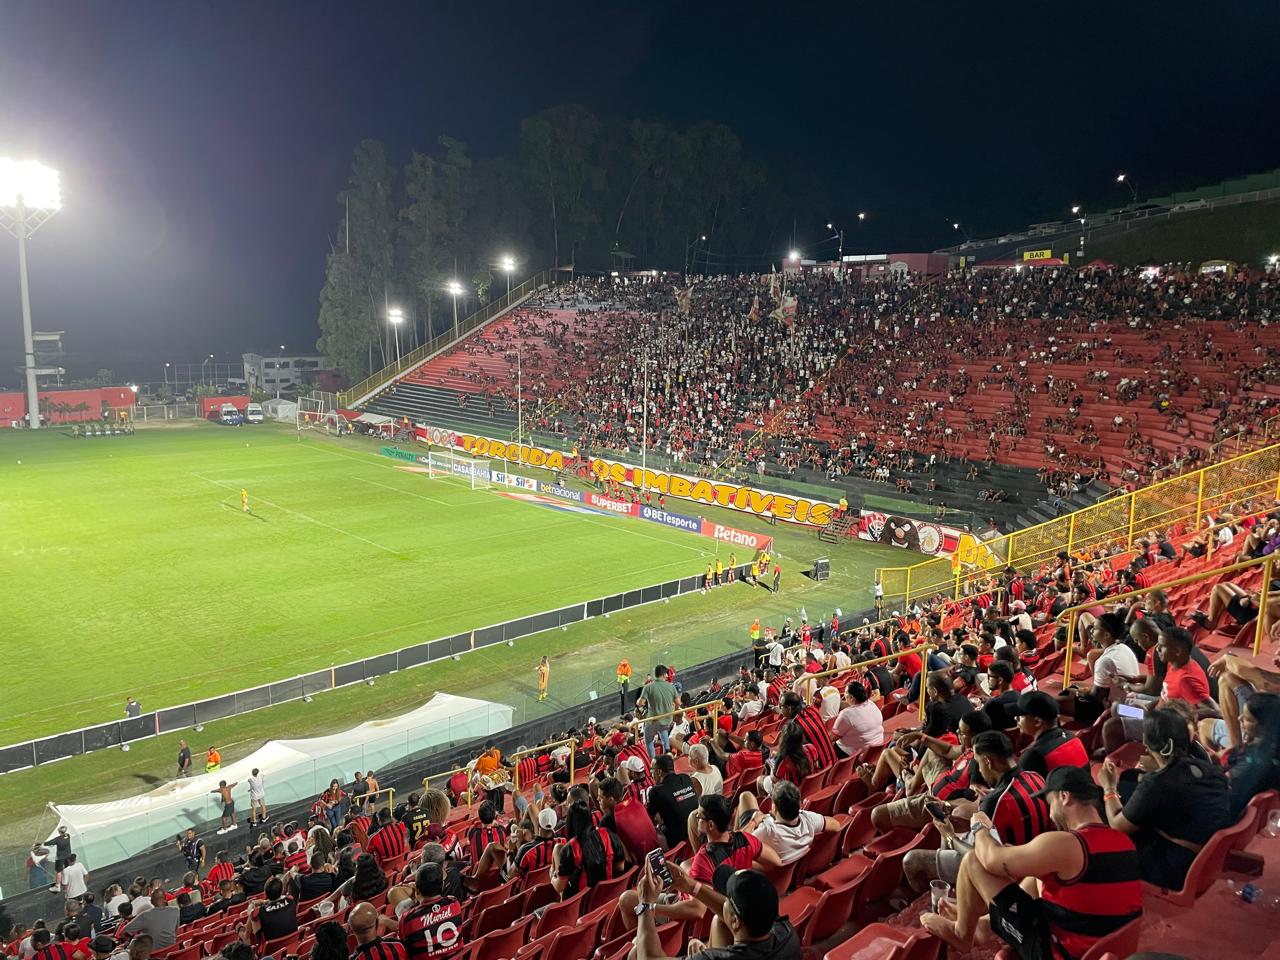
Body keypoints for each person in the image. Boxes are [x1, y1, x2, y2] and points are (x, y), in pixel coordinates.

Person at [919, 766, 1143, 958]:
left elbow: (989, 859)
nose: (1051, 813)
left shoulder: (1067, 844)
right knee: (1036, 874)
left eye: (1050, 803)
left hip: (1055, 952)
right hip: (1096, 947)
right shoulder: (1123, 840)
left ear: (1064, 797)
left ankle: (961, 934)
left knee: (973, 862)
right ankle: (985, 923)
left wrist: (979, 826)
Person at [1097, 707, 1231, 891]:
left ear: (1145, 741)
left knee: (1100, 807)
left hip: (1173, 866)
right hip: (1205, 857)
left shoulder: (1159, 783)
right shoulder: (1206, 767)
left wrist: (1108, 786)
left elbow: (1117, 825)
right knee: (1130, 778)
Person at [631, 860, 800, 960]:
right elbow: (728, 911)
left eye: (727, 898)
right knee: (719, 921)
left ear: (735, 921)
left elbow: (649, 958)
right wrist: (691, 886)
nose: (724, 900)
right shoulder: (786, 932)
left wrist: (645, 905)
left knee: (636, 951)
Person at [739, 780, 840, 865]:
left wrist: (753, 822)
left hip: (769, 875)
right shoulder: (808, 819)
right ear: (799, 805)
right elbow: (836, 825)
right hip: (790, 863)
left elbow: (736, 846)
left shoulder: (767, 831)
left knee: (745, 796)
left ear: (774, 808)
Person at [551, 800, 625, 897]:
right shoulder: (607, 834)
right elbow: (620, 867)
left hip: (583, 903)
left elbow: (560, 887)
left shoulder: (569, 849)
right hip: (609, 894)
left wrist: (552, 877)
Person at [1009, 692, 1089, 775]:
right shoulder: (1071, 736)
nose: (1015, 718)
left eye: (1021, 716)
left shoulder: (1032, 756)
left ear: (1037, 722)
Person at [398, 863, 464, 960]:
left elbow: (404, 951)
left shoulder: (407, 919)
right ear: (442, 887)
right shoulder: (454, 903)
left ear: (417, 891)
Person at [597, 776, 661, 865]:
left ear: (611, 799)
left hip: (640, 869)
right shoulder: (636, 803)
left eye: (600, 798)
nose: (598, 800)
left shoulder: (609, 819)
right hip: (658, 859)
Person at [646, 753, 699, 849]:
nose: (651, 774)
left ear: (659, 772)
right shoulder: (686, 778)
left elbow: (649, 819)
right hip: (697, 831)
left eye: (651, 770)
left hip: (677, 841)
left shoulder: (656, 791)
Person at [831, 681, 884, 758]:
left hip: (858, 754)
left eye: (845, 693)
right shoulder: (871, 703)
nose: (844, 696)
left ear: (851, 697)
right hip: (877, 747)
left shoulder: (846, 714)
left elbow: (833, 737)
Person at [638, 665, 678, 758]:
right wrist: (673, 711)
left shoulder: (648, 687)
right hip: (666, 720)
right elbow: (678, 703)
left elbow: (641, 703)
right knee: (663, 730)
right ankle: (667, 753)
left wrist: (638, 702)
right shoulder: (671, 687)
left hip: (653, 721)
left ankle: (653, 762)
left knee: (648, 741)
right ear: (664, 674)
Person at [245, 877, 297, 944]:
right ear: (282, 891)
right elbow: (282, 899)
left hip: (269, 948)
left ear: (265, 894)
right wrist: (264, 902)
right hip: (293, 941)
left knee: (250, 918)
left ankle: (246, 936)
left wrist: (251, 904)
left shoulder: (259, 911)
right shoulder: (291, 900)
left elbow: (249, 912)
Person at [46, 827, 72, 894]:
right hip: (68, 855)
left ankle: (57, 887)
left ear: (59, 832)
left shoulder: (58, 839)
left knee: (58, 871)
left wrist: (44, 843)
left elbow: (48, 843)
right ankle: (67, 881)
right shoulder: (68, 835)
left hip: (60, 858)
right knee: (67, 868)